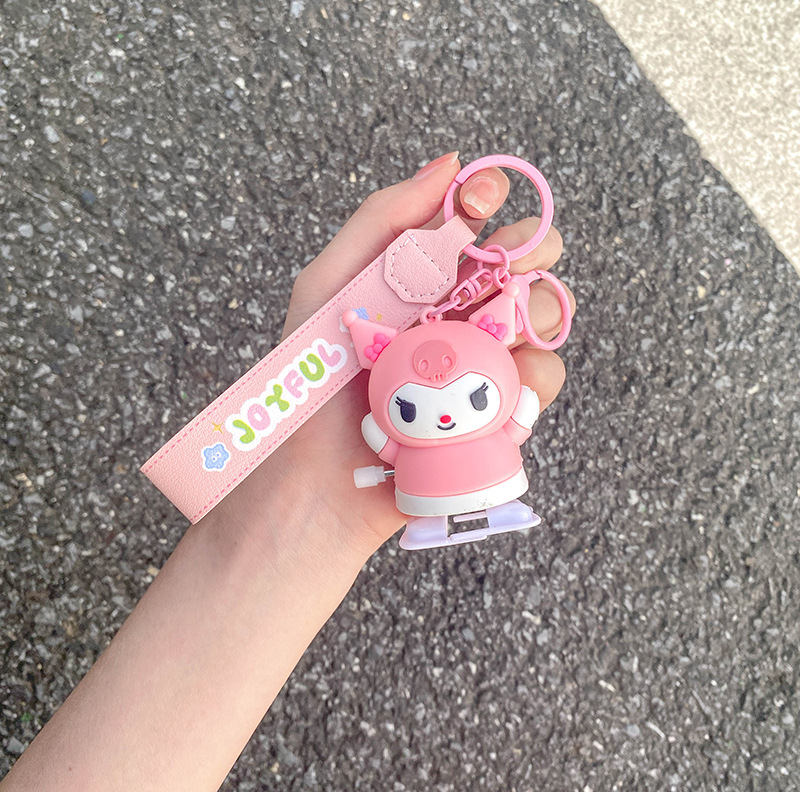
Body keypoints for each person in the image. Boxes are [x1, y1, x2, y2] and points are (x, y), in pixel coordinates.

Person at [0, 151, 574, 791]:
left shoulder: (408, 386)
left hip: (468, 477)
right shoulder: (390, 381)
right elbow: (444, 430)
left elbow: (416, 436)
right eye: (415, 409)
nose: (440, 417)